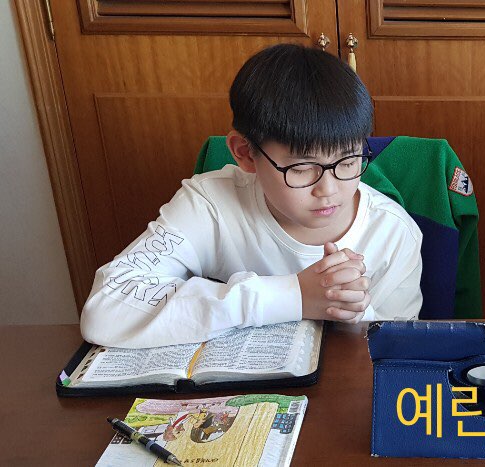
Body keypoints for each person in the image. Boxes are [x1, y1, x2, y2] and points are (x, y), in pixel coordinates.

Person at [80, 43, 423, 348]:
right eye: (301, 168)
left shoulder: (393, 234)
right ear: (245, 153)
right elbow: (105, 308)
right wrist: (293, 296)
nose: (329, 190)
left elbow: (399, 356)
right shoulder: (210, 204)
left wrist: (351, 310)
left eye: (348, 161)